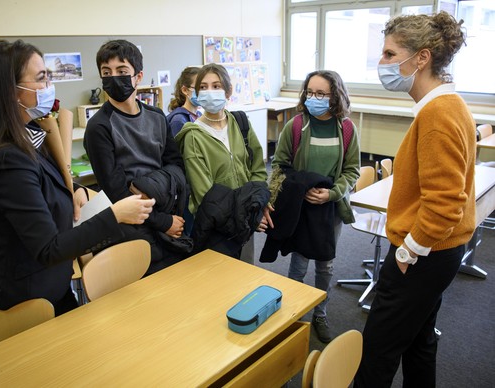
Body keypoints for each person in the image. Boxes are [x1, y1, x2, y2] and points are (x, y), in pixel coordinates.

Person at [0, 39, 154, 316]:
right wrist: (116, 214)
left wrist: (75, 189)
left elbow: (40, 180)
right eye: (40, 78)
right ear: (10, 91)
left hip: (47, 282)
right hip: (27, 295)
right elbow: (48, 248)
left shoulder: (25, 136)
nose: (49, 85)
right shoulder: (5, 158)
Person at [354, 12, 475, 387]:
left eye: (390, 54)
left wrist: (407, 253)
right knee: (419, 343)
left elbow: (444, 204)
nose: (383, 63)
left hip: (424, 254)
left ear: (421, 58)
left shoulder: (438, 113)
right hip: (440, 252)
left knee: (378, 350)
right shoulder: (446, 105)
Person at [265, 70, 360, 343]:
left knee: (325, 265)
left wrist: (331, 194)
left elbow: (352, 170)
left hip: (331, 208)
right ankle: (295, 312)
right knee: (298, 262)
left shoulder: (347, 129)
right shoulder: (295, 126)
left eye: (321, 93)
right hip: (301, 206)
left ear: (335, 97)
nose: (314, 98)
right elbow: (279, 166)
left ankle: (320, 311)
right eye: (310, 92)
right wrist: (276, 200)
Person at [84, 39, 188, 273]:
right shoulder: (99, 127)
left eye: (122, 71)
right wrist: (164, 222)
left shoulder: (157, 116)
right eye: (106, 72)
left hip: (167, 207)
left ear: (138, 76)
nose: (113, 78)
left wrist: (166, 209)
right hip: (133, 223)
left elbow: (175, 165)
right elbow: (117, 192)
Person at [175, 63, 272, 261]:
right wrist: (247, 215)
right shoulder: (193, 135)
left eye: (216, 86)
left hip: (246, 220)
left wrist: (257, 203)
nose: (209, 91)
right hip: (219, 226)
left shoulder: (240, 122)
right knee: (224, 282)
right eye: (203, 87)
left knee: (247, 272)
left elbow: (257, 168)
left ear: (228, 91)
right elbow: (205, 193)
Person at [167, 66, 201, 137]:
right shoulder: (178, 120)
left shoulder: (199, 115)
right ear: (185, 90)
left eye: (204, 87)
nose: (203, 92)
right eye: (199, 87)